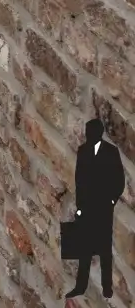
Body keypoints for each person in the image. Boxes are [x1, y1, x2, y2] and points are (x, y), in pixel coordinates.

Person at [69, 118, 126, 300]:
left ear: (98, 133)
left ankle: (107, 288)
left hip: (103, 207)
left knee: (104, 249)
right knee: (85, 247)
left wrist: (111, 201)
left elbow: (119, 179)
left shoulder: (110, 152)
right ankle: (81, 285)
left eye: (90, 132)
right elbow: (79, 181)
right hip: (86, 208)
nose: (88, 135)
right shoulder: (83, 151)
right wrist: (79, 207)